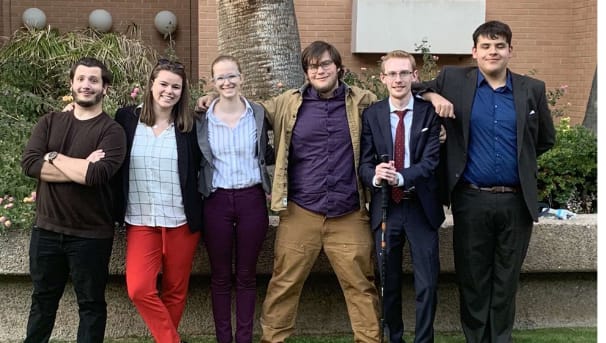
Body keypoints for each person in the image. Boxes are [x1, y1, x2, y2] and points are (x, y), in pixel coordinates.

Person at [199, 40, 382, 342]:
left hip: (349, 211)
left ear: (338, 67)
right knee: (284, 284)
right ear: (306, 72)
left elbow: (398, 104)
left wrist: (428, 93)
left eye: (325, 64)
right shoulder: (287, 102)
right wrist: (210, 96)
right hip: (301, 211)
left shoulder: (364, 100)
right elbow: (245, 108)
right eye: (313, 66)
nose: (319, 70)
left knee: (361, 286)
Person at [418, 21, 556, 342]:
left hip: (516, 201)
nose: (492, 52)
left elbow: (545, 139)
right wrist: (431, 95)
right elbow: (410, 86)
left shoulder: (531, 89)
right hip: (470, 199)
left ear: (510, 50)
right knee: (473, 279)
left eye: (499, 46)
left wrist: (518, 162)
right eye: (486, 46)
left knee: (506, 279)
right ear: (474, 51)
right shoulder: (453, 80)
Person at [21, 57, 127, 343]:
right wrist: (81, 166)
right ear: (72, 84)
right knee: (42, 301)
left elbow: (97, 175)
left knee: (91, 305)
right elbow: (31, 165)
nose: (86, 85)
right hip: (46, 230)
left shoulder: (112, 131)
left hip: (91, 235)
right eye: (81, 79)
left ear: (105, 87)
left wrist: (53, 156)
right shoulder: (50, 122)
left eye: (94, 80)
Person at [113, 58, 203, 343]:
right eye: (163, 84)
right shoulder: (126, 118)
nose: (169, 91)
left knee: (175, 289)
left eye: (176, 86)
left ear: (182, 91)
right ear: (151, 84)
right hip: (141, 219)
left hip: (181, 219)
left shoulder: (190, 125)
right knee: (138, 288)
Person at [360, 50, 445, 343]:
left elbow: (431, 162)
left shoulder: (428, 113)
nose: (398, 79)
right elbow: (363, 163)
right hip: (387, 208)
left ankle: (423, 340)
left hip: (421, 208)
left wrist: (401, 176)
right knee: (389, 282)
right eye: (392, 74)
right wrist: (375, 174)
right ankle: (393, 338)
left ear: (414, 76)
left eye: (404, 73)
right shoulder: (371, 115)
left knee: (427, 284)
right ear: (382, 78)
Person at [195, 55, 275, 343]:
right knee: (219, 277)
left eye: (232, 76)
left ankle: (244, 338)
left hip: (251, 199)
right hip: (215, 201)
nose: (227, 82)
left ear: (242, 78)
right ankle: (223, 338)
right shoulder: (202, 117)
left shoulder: (258, 113)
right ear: (213, 82)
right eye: (220, 78)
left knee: (246, 276)